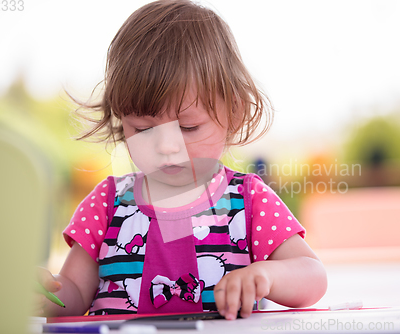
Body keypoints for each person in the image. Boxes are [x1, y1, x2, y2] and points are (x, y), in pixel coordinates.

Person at [36, 0, 327, 320]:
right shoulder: (106, 205)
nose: (166, 146)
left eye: (188, 127)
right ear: (122, 119)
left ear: (234, 111)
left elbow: (312, 276)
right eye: (143, 129)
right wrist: (44, 294)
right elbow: (74, 294)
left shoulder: (249, 201)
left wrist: (267, 276)